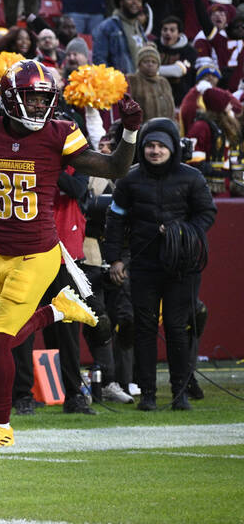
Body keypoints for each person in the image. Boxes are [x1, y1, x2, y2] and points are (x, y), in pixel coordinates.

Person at [0, 59, 142, 447]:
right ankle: (57, 310)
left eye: (43, 99)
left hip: (39, 253)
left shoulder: (58, 134)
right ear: (7, 99)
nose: (39, 106)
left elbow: (115, 168)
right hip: (1, 253)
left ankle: (1, 429)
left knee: (1, 339)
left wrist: (131, 131)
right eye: (32, 99)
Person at [102, 118, 217, 412]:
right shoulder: (129, 178)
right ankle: (148, 394)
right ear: (142, 148)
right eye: (150, 146)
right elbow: (115, 219)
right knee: (144, 328)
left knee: (178, 328)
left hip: (183, 266)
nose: (155, 151)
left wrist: (182, 231)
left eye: (160, 146)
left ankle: (181, 394)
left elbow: (207, 214)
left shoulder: (192, 178)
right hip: (143, 266)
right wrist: (114, 258)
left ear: (172, 148)